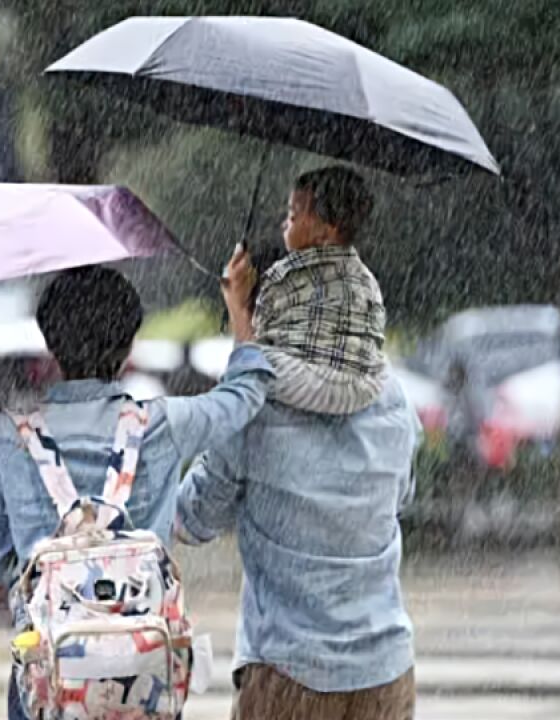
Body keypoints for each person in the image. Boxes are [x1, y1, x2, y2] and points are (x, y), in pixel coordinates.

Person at [0, 250, 274, 720]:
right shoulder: (162, 425)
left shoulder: (6, 435)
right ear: (127, 346)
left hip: (49, 675)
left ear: (51, 344)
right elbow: (247, 392)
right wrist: (238, 309)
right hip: (143, 673)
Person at [177, 167, 421, 720]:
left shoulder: (255, 405)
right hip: (385, 672)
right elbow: (397, 498)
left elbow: (193, 516)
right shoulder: (393, 398)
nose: (286, 222)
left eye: (296, 212)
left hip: (289, 676)